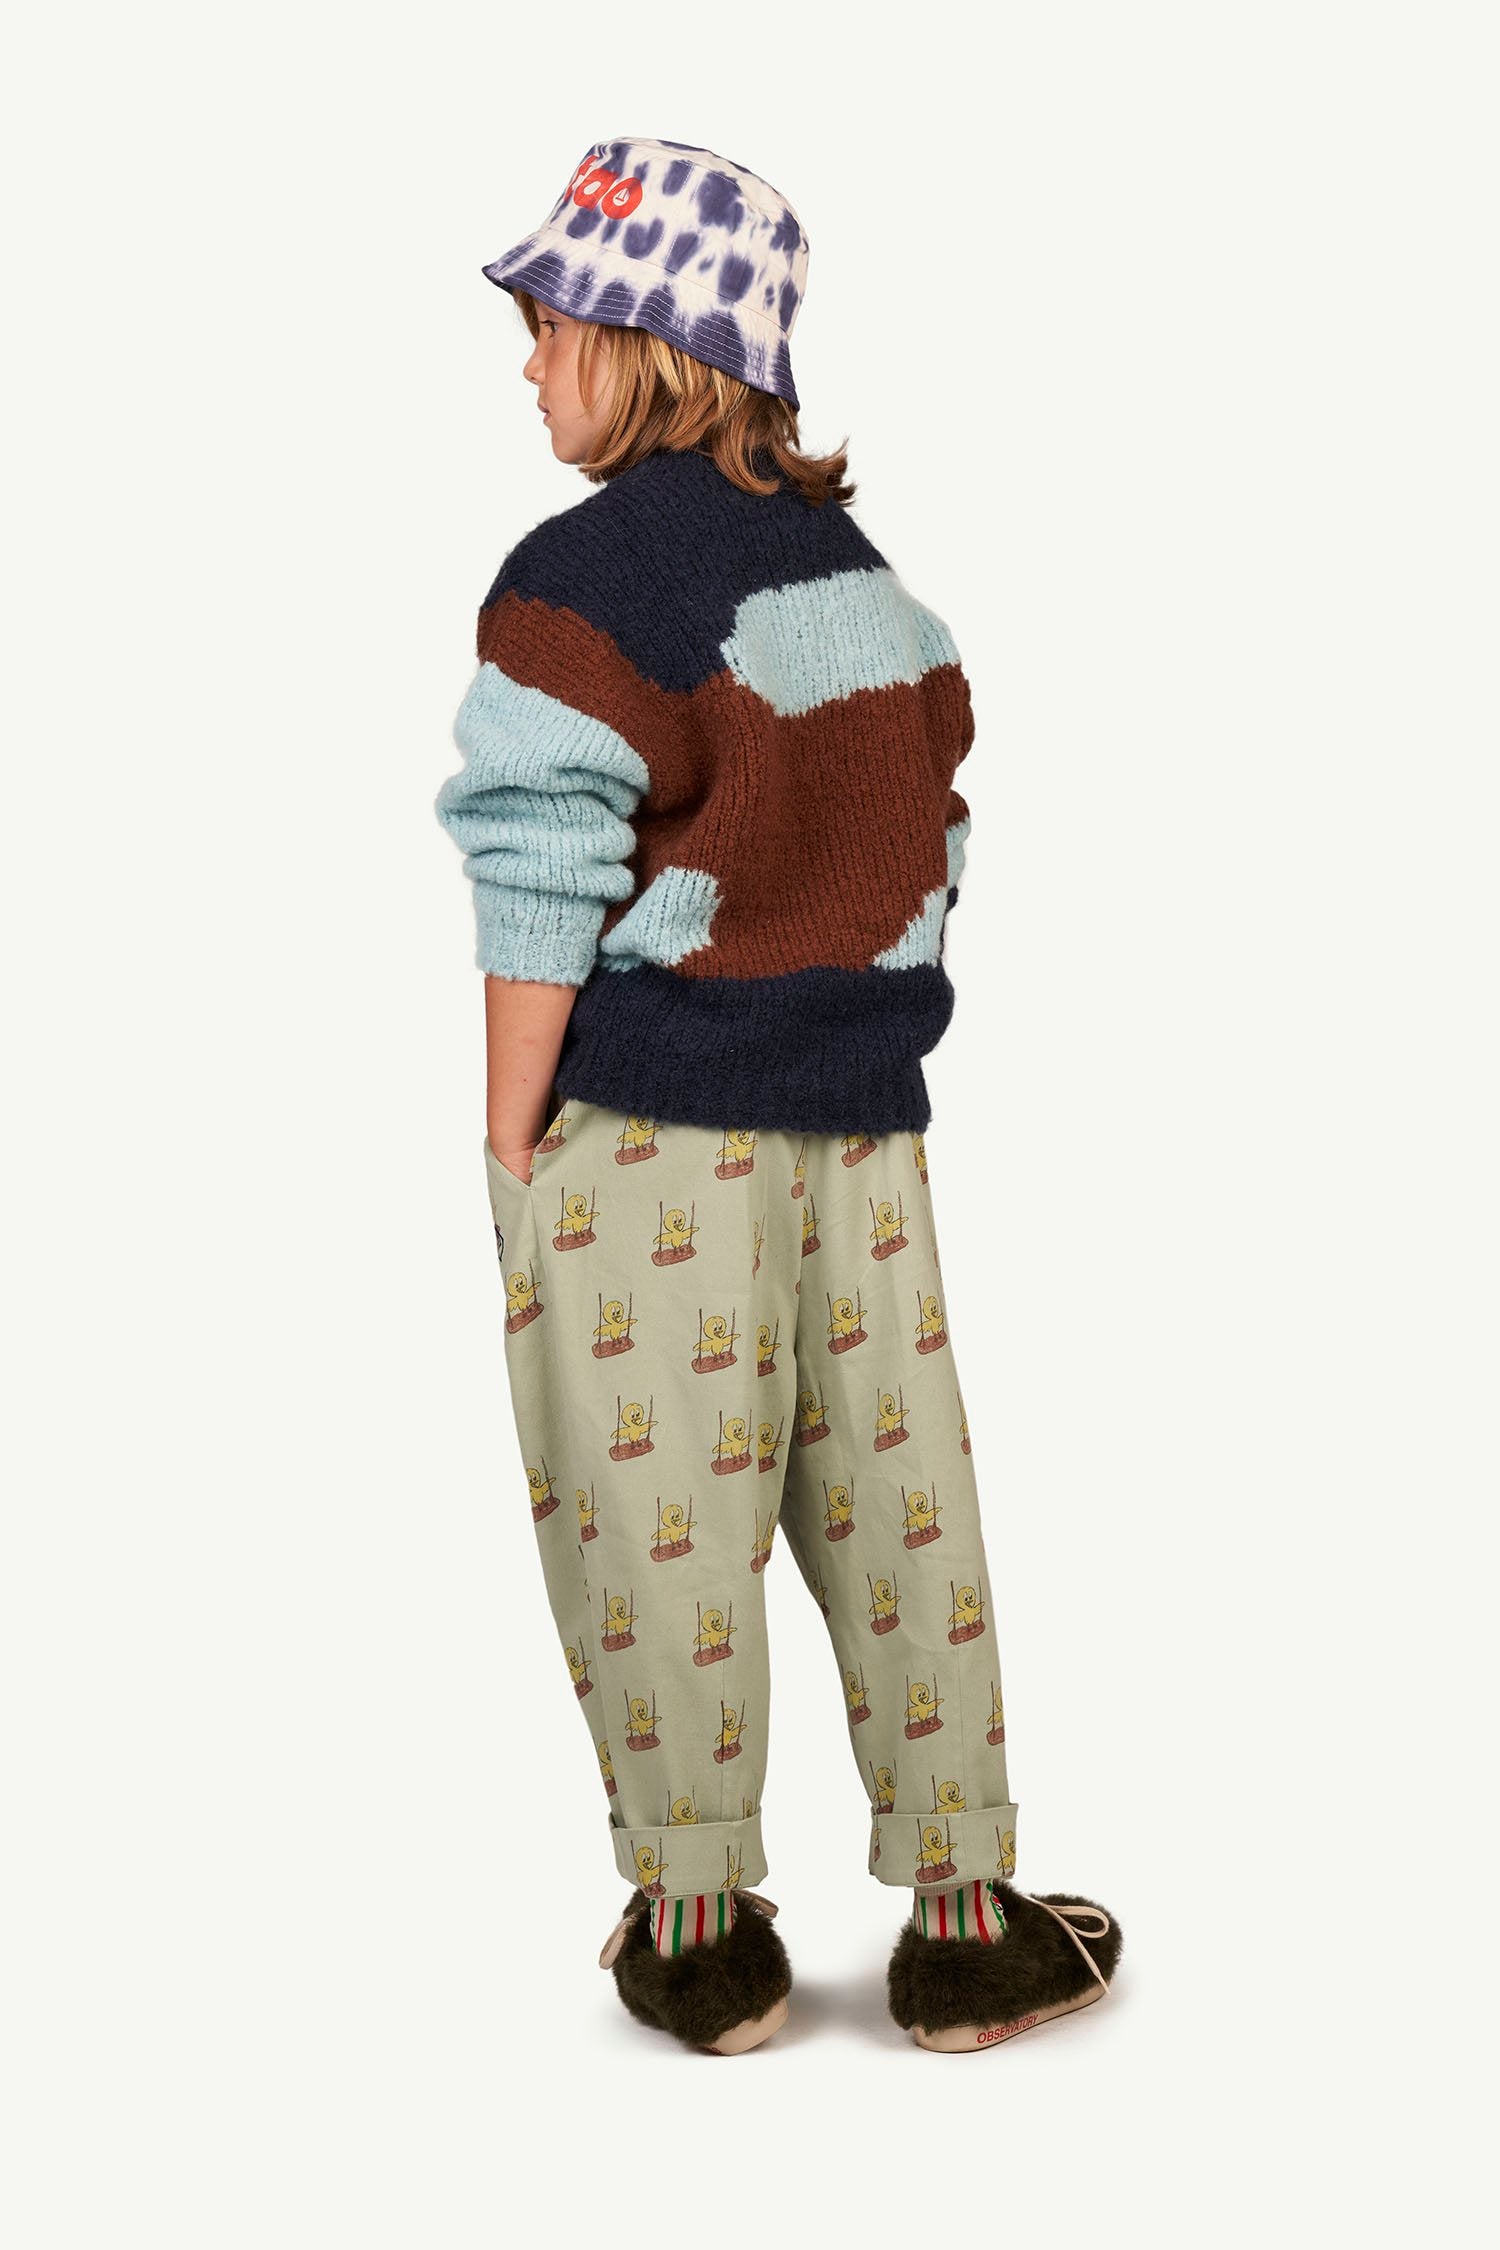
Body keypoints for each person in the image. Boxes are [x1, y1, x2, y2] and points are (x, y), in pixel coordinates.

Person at [434, 135, 1122, 2055]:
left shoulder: (583, 583)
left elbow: (538, 861)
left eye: (551, 323)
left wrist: (510, 1138)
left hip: (650, 1139)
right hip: (865, 1140)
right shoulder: (874, 591)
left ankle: (697, 1928)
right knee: (902, 1498)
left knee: (652, 1507)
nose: (527, 362)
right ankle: (968, 1922)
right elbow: (931, 840)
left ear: (650, 344)